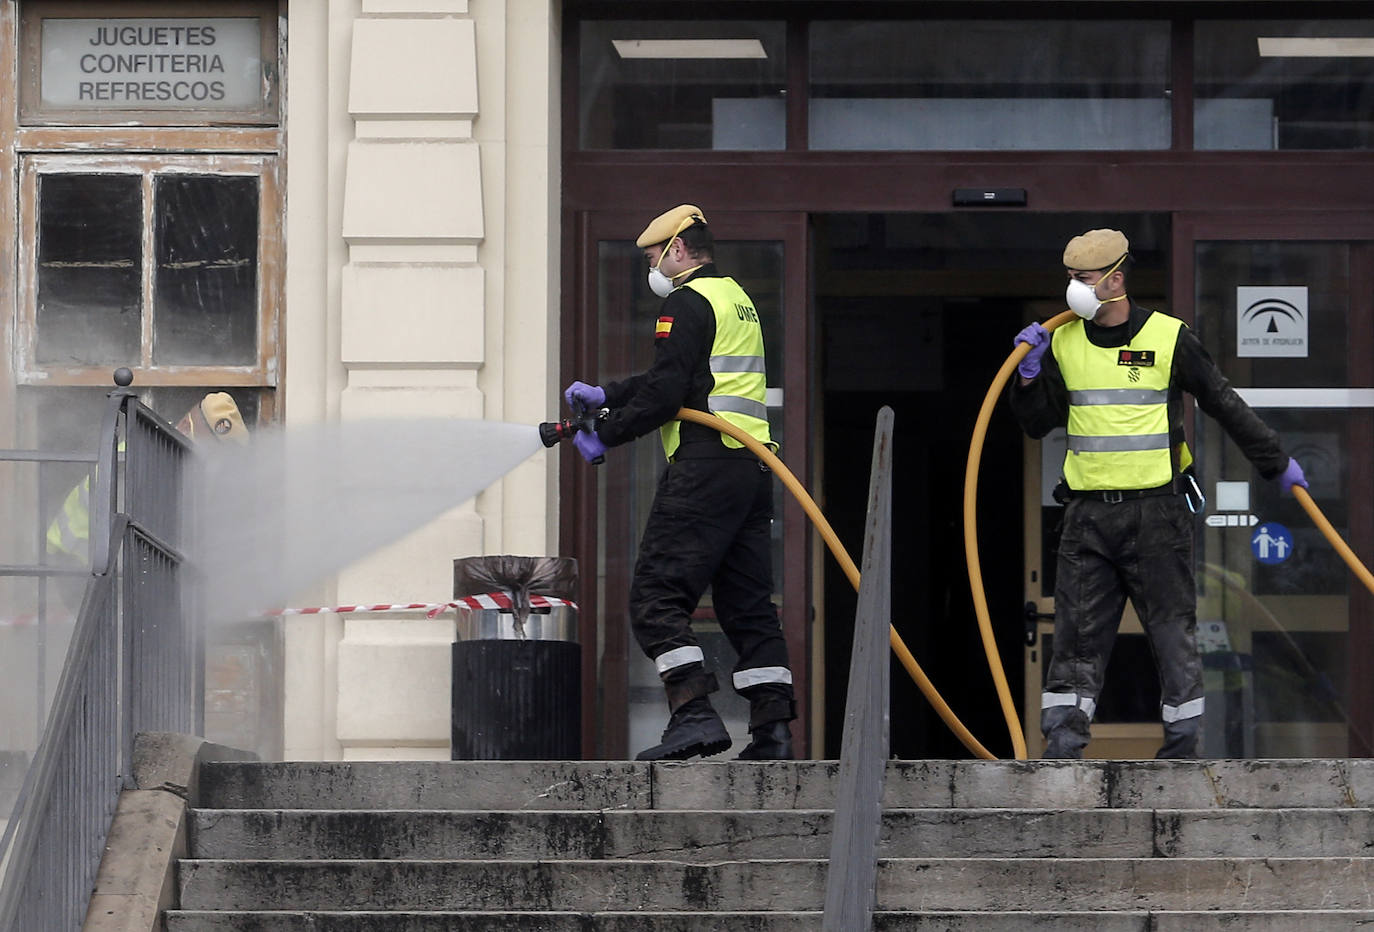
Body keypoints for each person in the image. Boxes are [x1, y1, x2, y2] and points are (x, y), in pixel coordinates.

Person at [1010, 228, 1308, 760]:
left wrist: (1276, 462)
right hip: (1086, 516)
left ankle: (1181, 746)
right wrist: (1029, 377)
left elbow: (1222, 402)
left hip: (1157, 512)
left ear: (1115, 280)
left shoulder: (1170, 337)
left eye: (1083, 279)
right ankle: (1063, 746)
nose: (1073, 289)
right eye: (1070, 279)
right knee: (1077, 636)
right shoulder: (1064, 342)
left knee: (1172, 630)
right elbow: (1037, 425)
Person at [563, 204, 795, 761]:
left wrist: (606, 435)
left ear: (679, 250)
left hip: (704, 469)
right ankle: (773, 734)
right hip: (749, 468)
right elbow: (686, 376)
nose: (652, 269)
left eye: (653, 257)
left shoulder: (684, 302)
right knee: (748, 607)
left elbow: (668, 395)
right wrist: (610, 394)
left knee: (654, 598)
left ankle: (692, 714)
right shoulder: (737, 299)